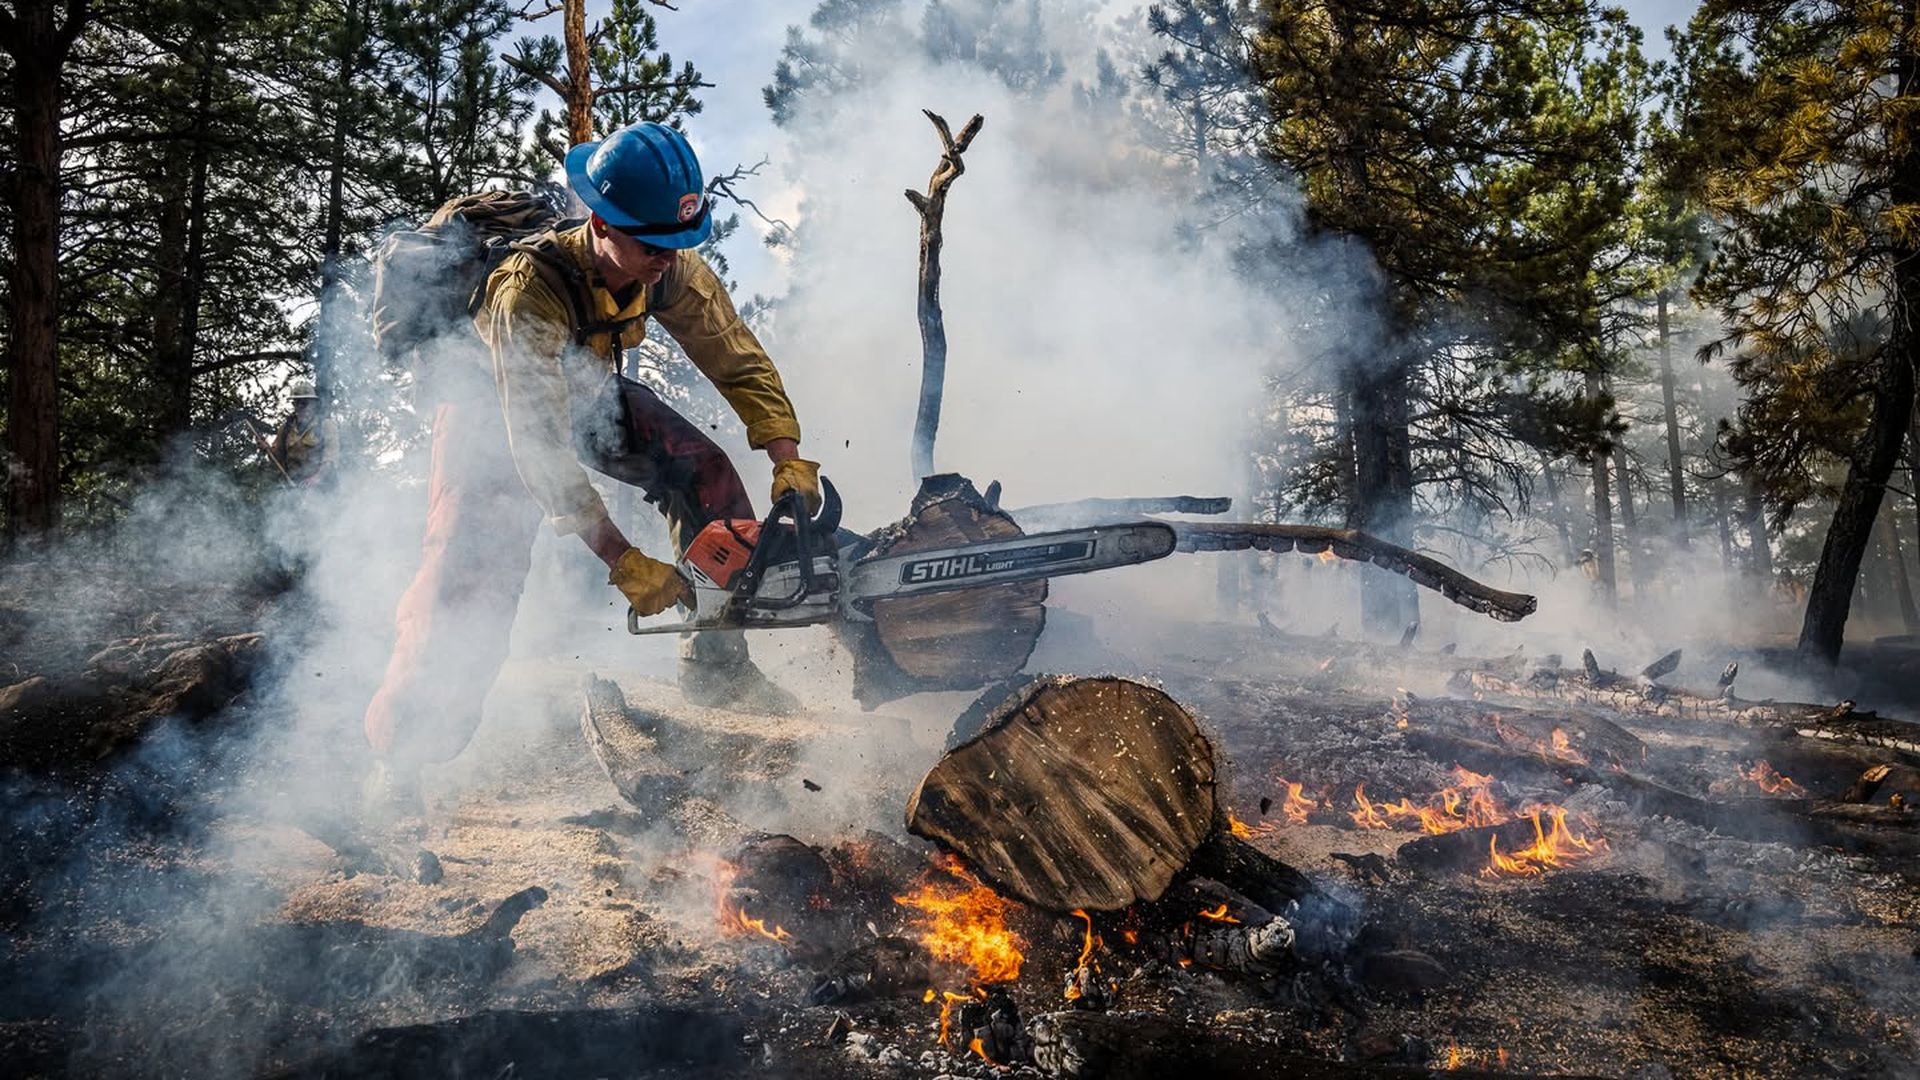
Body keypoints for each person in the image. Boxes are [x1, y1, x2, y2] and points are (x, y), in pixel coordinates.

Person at [362, 121, 819, 812]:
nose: (668, 258)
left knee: (703, 471)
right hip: (492, 408)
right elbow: (537, 446)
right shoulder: (526, 291)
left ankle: (717, 665)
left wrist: (786, 453)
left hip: (582, 386)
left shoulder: (662, 257)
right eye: (651, 245)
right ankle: (399, 761)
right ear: (601, 223)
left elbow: (734, 352)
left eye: (677, 243)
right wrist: (621, 559)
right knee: (468, 576)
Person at [263, 379, 339, 487]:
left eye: (304, 403)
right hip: (294, 485)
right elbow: (278, 458)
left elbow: (330, 459)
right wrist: (267, 449)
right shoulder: (286, 429)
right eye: (296, 403)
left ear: (313, 404)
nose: (300, 407)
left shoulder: (326, 426)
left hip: (322, 487)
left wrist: (317, 478)